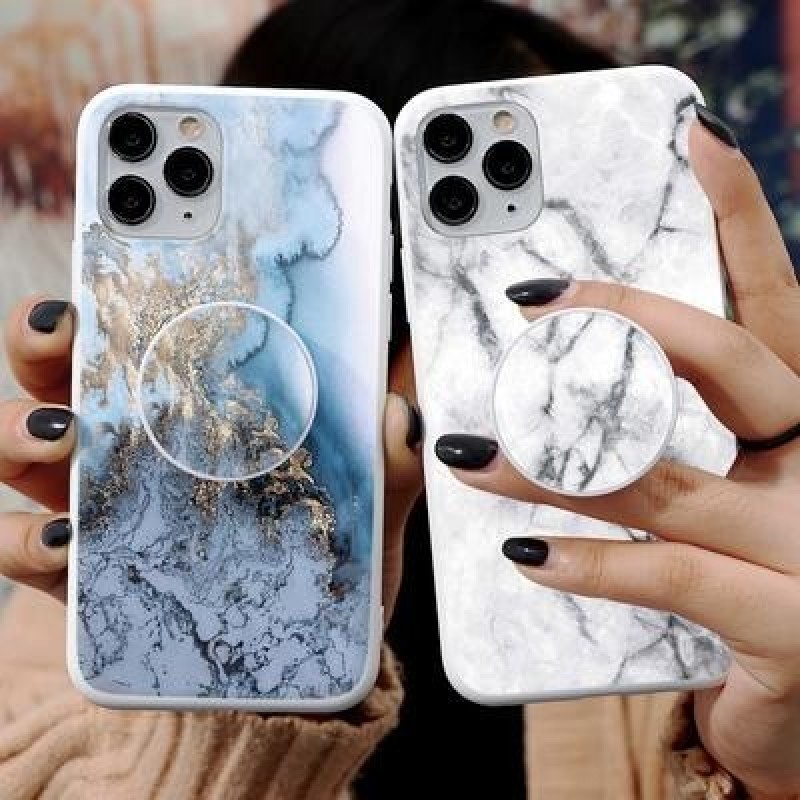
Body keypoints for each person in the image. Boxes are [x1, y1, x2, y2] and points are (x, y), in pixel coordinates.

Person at [1, 1, 799, 798]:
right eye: (526, 263)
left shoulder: (703, 594)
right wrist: (234, 687)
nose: (584, 324)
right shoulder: (114, 590)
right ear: (363, 280)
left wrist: (772, 768)